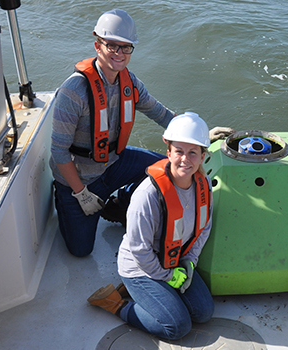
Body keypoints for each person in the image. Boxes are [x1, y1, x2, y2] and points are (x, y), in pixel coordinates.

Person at [49, 9, 232, 257]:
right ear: (97, 45)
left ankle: (119, 204)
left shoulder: (130, 82)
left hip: (113, 164)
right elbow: (59, 152)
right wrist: (81, 194)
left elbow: (161, 114)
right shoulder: (73, 91)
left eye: (126, 48)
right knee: (81, 251)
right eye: (112, 45)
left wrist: (199, 136)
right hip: (79, 180)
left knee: (169, 165)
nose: (119, 54)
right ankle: (65, 202)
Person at [87, 112, 214, 340]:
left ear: (203, 156)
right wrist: (166, 276)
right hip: (141, 266)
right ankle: (116, 303)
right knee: (178, 327)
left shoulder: (203, 187)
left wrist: (190, 261)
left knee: (204, 312)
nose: (185, 159)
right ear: (169, 152)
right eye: (179, 152)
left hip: (175, 260)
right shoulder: (148, 194)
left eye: (193, 153)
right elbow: (139, 249)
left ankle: (145, 294)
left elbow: (203, 228)